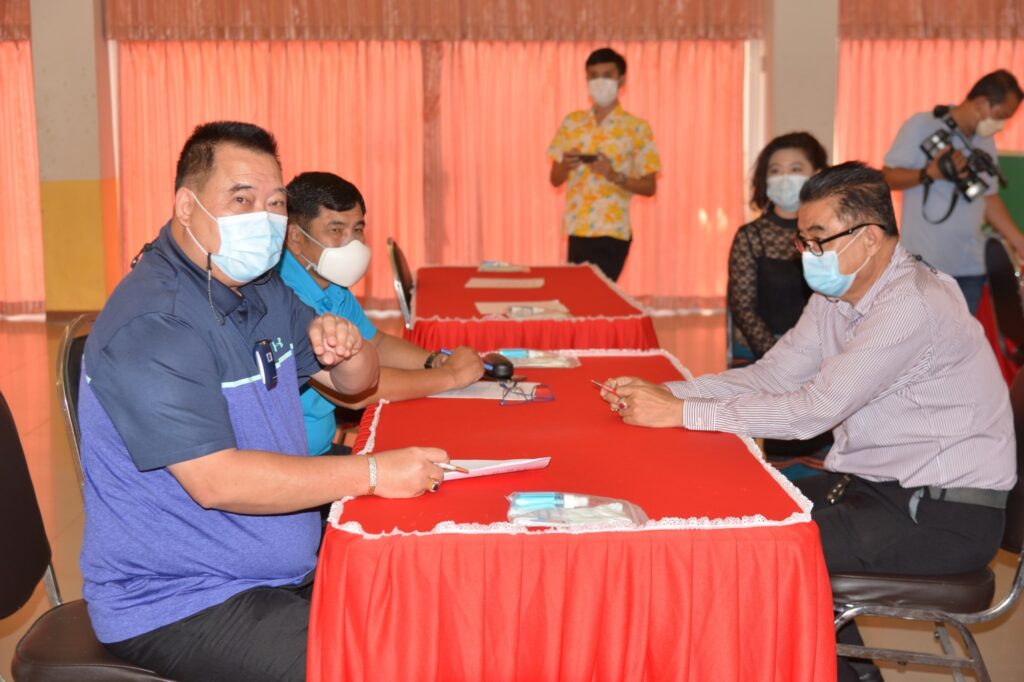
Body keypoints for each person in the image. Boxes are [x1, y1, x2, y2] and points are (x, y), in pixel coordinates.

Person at [599, 163, 1016, 682]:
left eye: (818, 239)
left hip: (940, 514)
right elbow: (773, 374)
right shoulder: (837, 296)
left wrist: (681, 413)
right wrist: (668, 393)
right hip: (878, 488)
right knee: (742, 511)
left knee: (755, 553)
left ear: (869, 238)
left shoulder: (911, 305)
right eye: (803, 240)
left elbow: (811, 411)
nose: (807, 254)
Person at [78, 121, 450, 682]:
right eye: (241, 199)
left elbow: (356, 386)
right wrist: (372, 473)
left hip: (274, 571)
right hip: (183, 598)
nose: (264, 218)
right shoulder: (157, 321)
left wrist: (349, 351)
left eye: (274, 203)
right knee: (375, 665)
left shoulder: (258, 288)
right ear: (186, 206)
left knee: (430, 605)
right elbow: (218, 481)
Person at [279, 171, 484, 455]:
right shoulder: (282, 297)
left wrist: (433, 361)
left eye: (357, 230)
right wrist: (451, 377)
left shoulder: (331, 285)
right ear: (295, 237)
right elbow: (354, 392)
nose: (351, 243)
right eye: (336, 230)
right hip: (297, 464)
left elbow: (377, 343)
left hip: (320, 451)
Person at [883, 69, 1024, 314]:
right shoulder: (922, 125)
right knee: (918, 336)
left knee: (962, 338)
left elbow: (989, 198)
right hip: (925, 266)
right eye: (1001, 116)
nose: (1001, 126)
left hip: (970, 269)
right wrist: (929, 173)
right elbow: (887, 177)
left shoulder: (985, 141)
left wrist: (1020, 243)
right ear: (980, 103)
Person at [547, 46, 661, 281]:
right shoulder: (573, 123)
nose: (600, 82)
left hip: (613, 231)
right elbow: (555, 179)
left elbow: (650, 187)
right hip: (577, 228)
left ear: (621, 79)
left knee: (601, 294)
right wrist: (566, 164)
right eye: (594, 76)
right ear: (586, 79)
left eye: (607, 75)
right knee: (577, 296)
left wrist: (613, 175)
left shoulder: (636, 127)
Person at [728, 132, 827, 362]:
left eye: (795, 169)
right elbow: (744, 309)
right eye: (775, 170)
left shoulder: (832, 233)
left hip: (824, 348)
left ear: (816, 175)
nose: (784, 177)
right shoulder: (750, 237)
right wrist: (781, 359)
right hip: (767, 350)